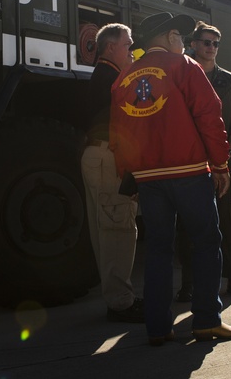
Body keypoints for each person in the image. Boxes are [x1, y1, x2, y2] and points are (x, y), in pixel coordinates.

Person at [110, 12, 231, 346]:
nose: (183, 43)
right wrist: (220, 164)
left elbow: (118, 135)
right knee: (205, 244)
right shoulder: (184, 66)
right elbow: (210, 117)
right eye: (180, 37)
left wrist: (131, 176)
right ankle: (206, 321)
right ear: (170, 37)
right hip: (188, 173)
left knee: (157, 250)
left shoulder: (123, 78)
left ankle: (158, 326)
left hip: (148, 177)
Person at [177, 23, 231, 300]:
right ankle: (188, 285)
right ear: (194, 44)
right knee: (188, 225)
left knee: (229, 221)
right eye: (206, 42)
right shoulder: (182, 75)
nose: (211, 48)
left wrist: (229, 149)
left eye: (216, 43)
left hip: (224, 158)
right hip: (191, 161)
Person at [81, 23, 143, 323]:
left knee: (106, 231)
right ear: (110, 48)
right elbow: (125, 129)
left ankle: (116, 297)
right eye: (127, 45)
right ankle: (121, 303)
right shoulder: (114, 80)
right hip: (109, 155)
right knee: (118, 229)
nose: (131, 51)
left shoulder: (102, 76)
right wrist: (131, 174)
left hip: (97, 154)